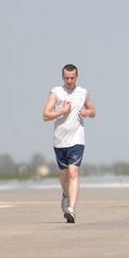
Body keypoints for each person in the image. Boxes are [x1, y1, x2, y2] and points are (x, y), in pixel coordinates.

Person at [43, 64, 96, 223]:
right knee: (64, 175)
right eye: (66, 78)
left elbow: (93, 111)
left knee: (73, 173)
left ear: (77, 77)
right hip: (60, 141)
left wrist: (89, 112)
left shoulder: (83, 93)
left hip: (77, 140)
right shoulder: (56, 92)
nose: (69, 80)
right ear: (62, 76)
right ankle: (66, 195)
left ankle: (71, 209)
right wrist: (62, 112)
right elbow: (45, 116)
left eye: (72, 78)